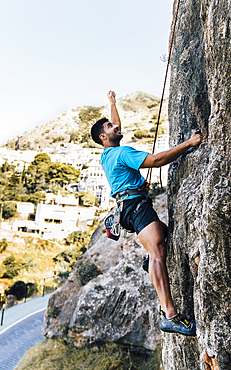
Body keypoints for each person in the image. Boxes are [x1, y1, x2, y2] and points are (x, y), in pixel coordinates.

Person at [91, 91, 203, 336]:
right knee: (158, 251)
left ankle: (149, 263)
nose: (116, 126)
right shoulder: (121, 153)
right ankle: (170, 315)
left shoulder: (107, 155)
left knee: (163, 235)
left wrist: (112, 104)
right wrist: (188, 144)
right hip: (135, 206)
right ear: (103, 136)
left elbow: (114, 127)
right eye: (111, 126)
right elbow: (157, 160)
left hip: (129, 206)